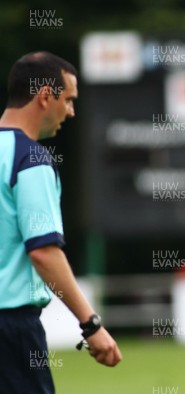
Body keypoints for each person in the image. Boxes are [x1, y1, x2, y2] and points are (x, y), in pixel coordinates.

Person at [0, 52, 122, 394]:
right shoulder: (30, 158)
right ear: (45, 96)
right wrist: (91, 324)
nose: (71, 112)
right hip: (11, 327)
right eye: (68, 100)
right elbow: (43, 252)